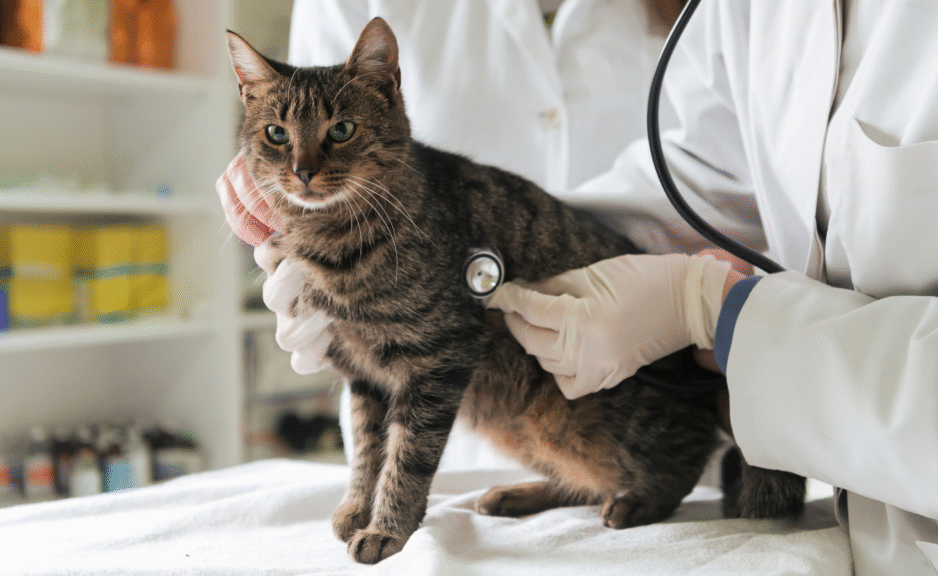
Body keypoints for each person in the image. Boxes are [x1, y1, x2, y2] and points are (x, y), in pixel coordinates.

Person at [221, 0, 938, 574]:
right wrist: (399, 269)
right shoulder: (754, 15)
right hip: (827, 504)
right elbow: (685, 192)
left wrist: (719, 314)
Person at [218, 0, 753, 471]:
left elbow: (732, 185)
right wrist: (275, 208)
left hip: (648, 407)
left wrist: (698, 294)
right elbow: (299, 119)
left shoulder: (724, 11)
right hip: (440, 448)